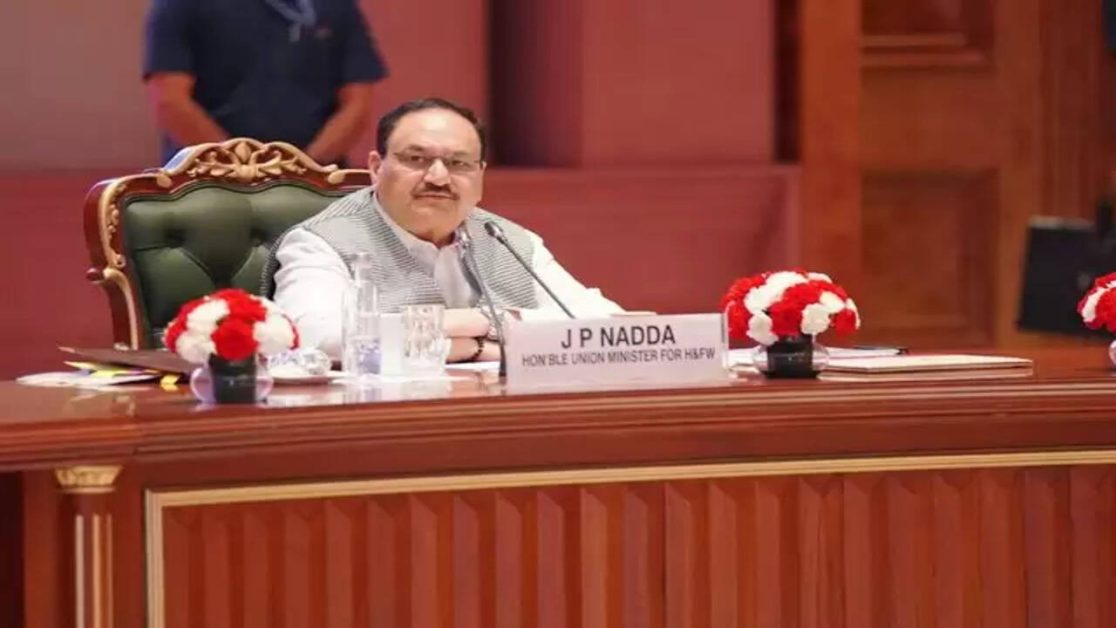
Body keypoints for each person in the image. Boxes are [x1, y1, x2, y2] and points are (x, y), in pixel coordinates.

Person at [264, 97, 623, 362]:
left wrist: (483, 323)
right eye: (416, 159)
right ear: (376, 167)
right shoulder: (321, 242)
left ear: (480, 173)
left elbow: (610, 326)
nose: (438, 177)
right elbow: (313, 337)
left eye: (458, 163)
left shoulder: (510, 240)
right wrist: (472, 346)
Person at [143, 0, 387, 165]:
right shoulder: (180, 4)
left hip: (317, 183)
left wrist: (303, 170)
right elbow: (170, 102)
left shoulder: (336, 5)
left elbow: (357, 103)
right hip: (206, 180)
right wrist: (239, 167)